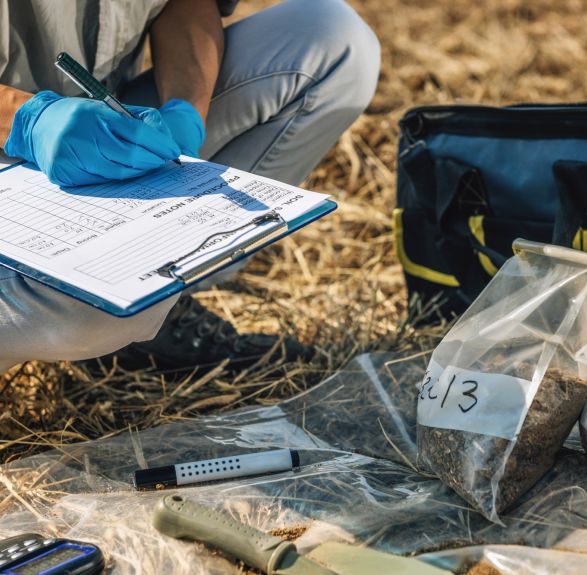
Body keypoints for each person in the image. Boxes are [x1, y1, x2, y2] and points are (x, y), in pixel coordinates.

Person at [0, 0, 380, 373]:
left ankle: (157, 313)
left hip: (110, 129)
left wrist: (186, 108)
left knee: (331, 37)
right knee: (105, 304)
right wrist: (25, 120)